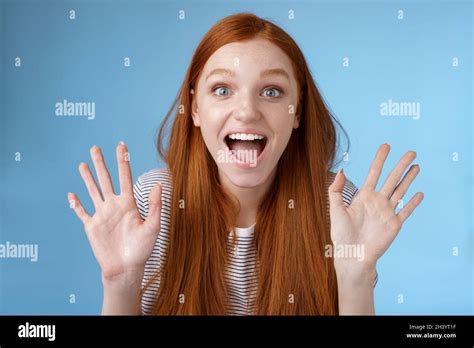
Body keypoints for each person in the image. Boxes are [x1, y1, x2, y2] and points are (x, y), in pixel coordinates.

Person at [68, 13, 424, 315]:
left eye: (271, 92)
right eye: (222, 90)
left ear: (296, 111)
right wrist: (120, 282)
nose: (247, 111)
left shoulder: (336, 205)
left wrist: (356, 274)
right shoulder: (152, 203)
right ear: (194, 109)